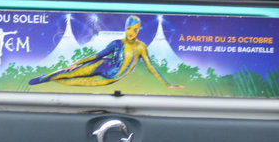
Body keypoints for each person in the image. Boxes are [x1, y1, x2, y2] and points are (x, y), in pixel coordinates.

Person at [29, 15, 182, 89]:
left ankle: (48, 78)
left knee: (73, 82)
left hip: (112, 77)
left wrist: (167, 84)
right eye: (129, 29)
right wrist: (76, 63)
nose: (132, 32)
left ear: (138, 30)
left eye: (135, 29)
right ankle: (44, 78)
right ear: (126, 29)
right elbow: (98, 56)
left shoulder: (141, 47)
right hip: (102, 65)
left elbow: (151, 67)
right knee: (68, 73)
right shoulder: (117, 43)